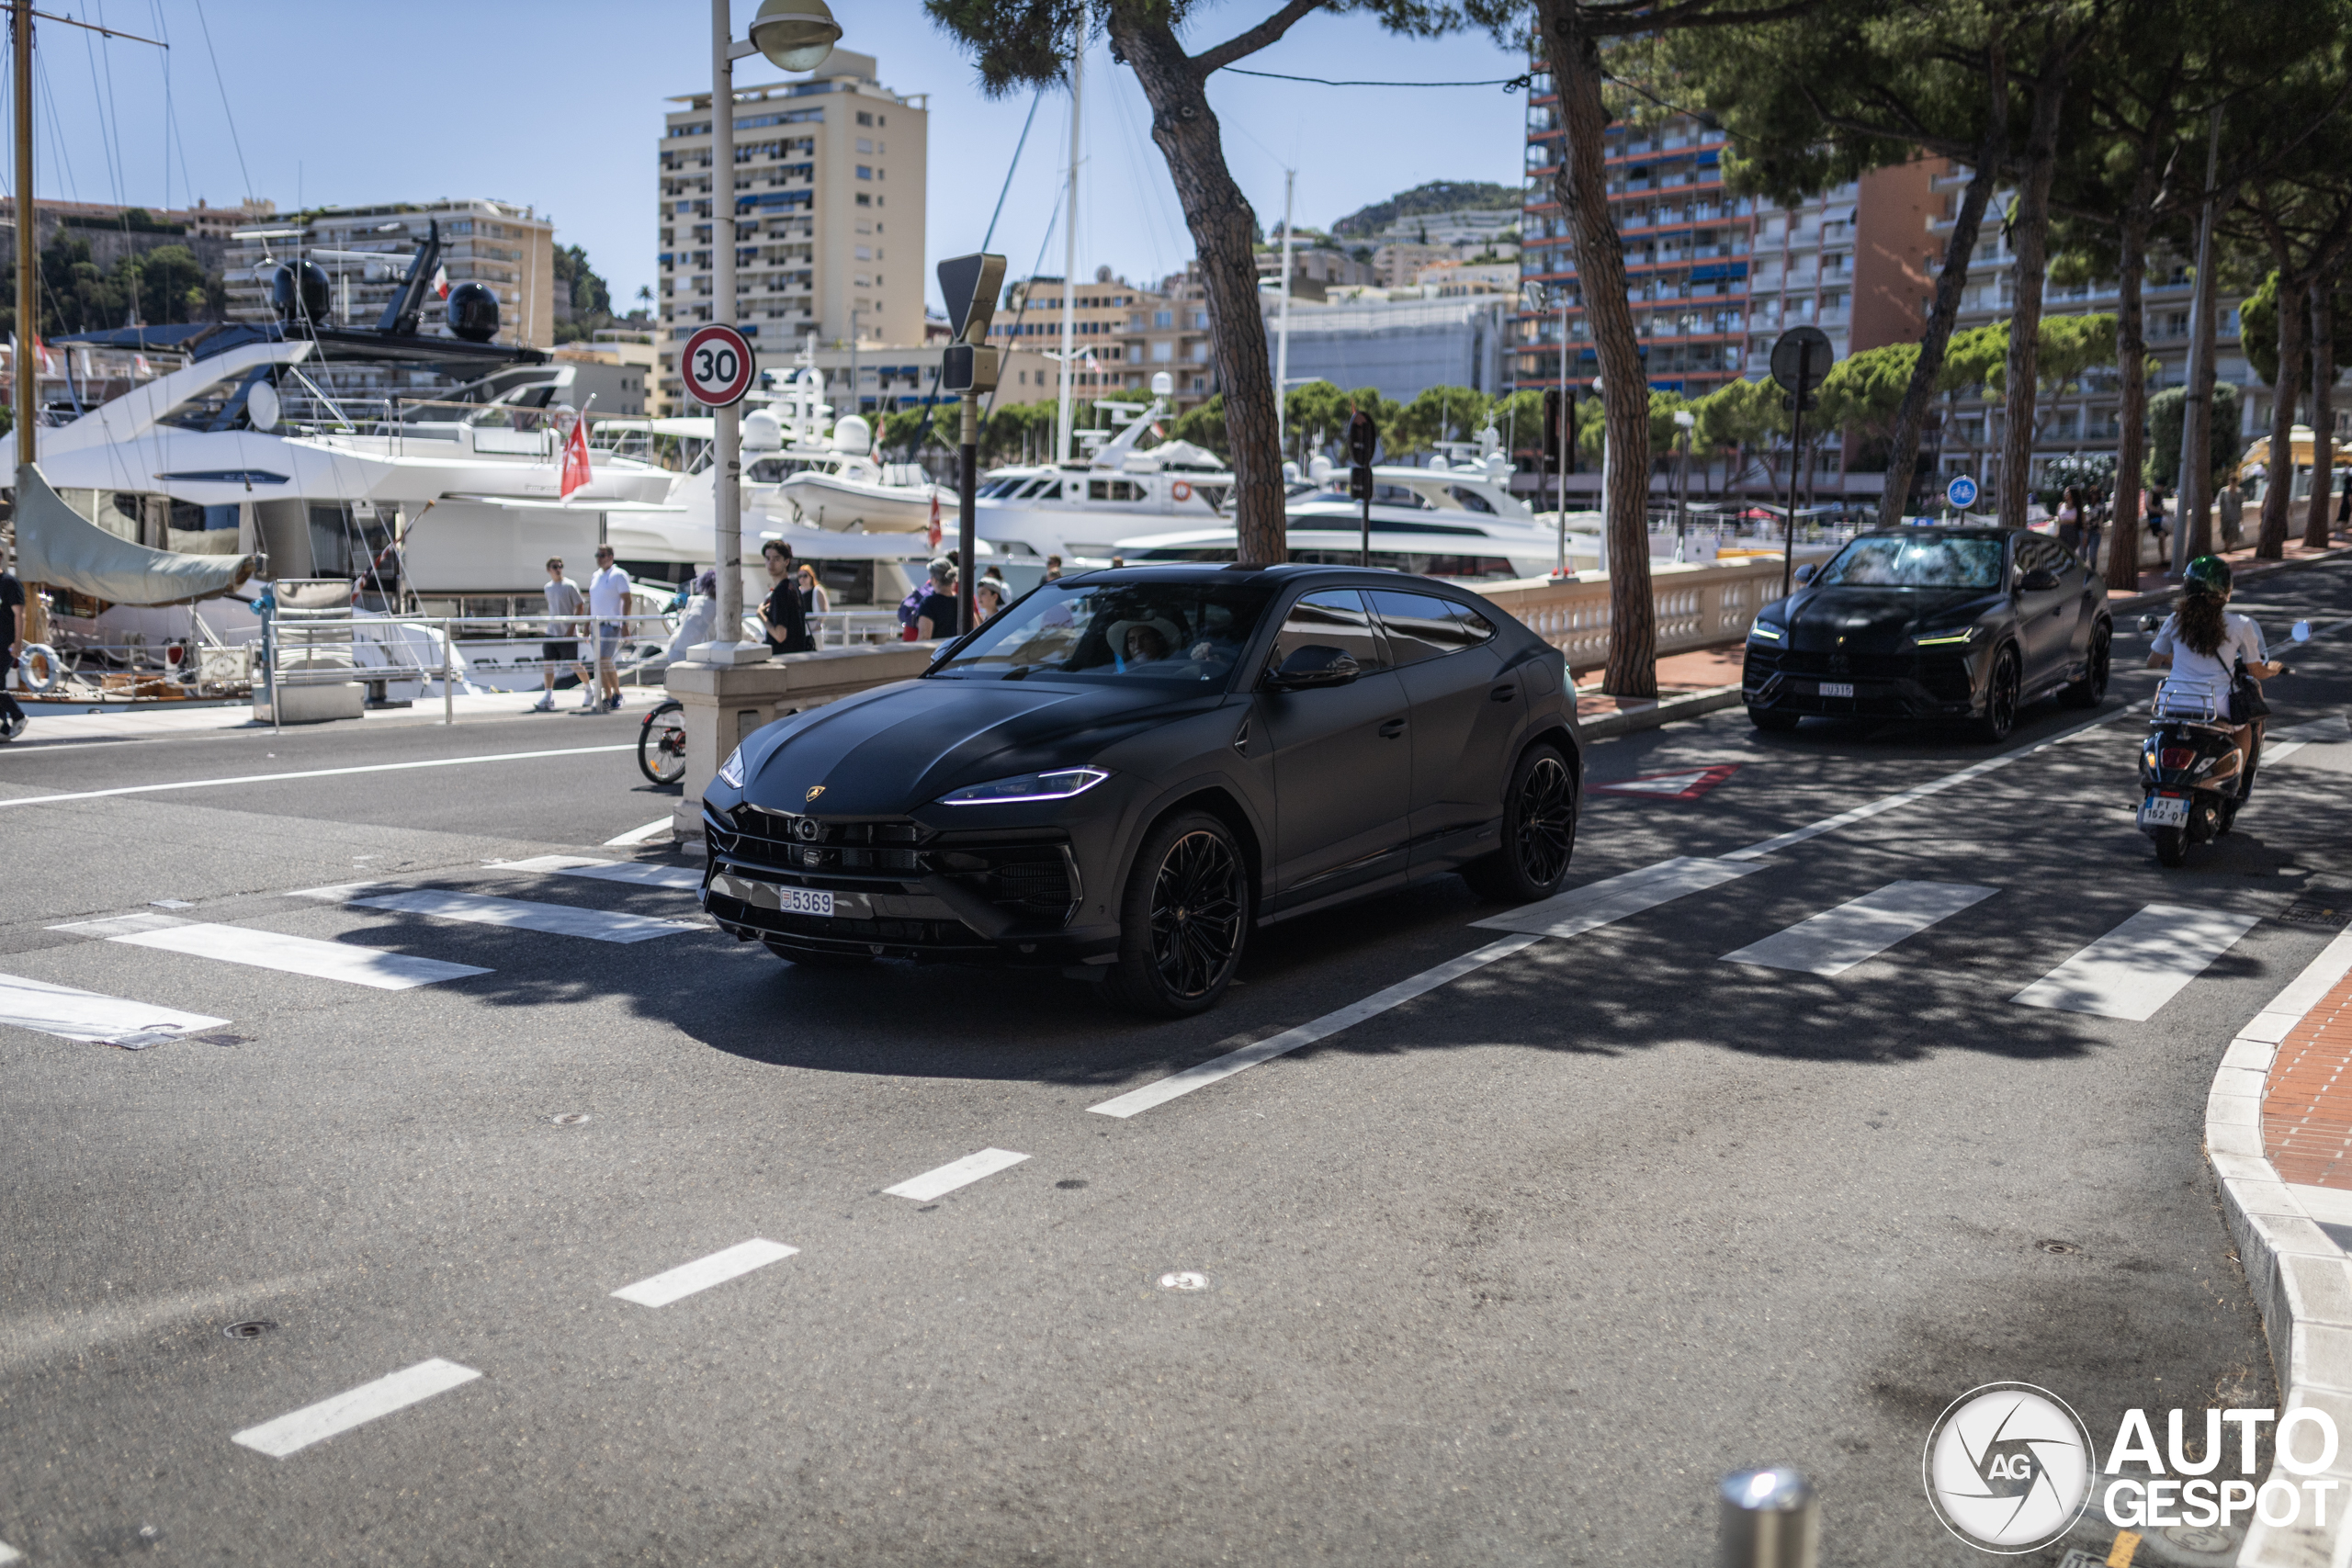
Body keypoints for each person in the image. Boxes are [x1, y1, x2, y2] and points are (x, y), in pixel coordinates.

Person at [2147, 554, 2282, 772]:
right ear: (2226, 589)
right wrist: (2273, 670)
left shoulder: (2175, 620)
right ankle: (2237, 779)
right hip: (2215, 705)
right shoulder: (2240, 624)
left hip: (2172, 701)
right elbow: (2255, 670)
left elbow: (2153, 662)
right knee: (2244, 727)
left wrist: (2174, 661)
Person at [531, 556, 594, 713]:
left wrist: (572, 627)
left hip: (568, 634)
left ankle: (589, 689)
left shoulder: (570, 585)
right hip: (552, 632)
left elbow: (580, 606)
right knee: (548, 664)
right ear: (549, 570)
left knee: (574, 664)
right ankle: (548, 696)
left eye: (560, 566)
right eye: (555, 567)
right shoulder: (548, 588)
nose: (558, 569)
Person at [587, 544, 632, 711]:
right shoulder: (596, 575)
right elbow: (593, 602)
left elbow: (627, 600)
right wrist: (586, 624)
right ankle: (608, 696)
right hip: (596, 625)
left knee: (605, 660)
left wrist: (625, 624)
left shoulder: (619, 575)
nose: (599, 559)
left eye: (602, 555)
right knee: (600, 662)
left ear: (610, 557)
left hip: (610, 624)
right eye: (597, 555)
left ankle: (617, 694)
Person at [758, 540, 814, 655]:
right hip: (795, 656)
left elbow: (780, 636)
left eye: (776, 559)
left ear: (786, 561)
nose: (771, 563)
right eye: (768, 558)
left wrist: (761, 616)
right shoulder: (793, 588)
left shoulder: (781, 592)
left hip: (783, 658)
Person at [0, 554, 26, 742]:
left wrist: (18, 642)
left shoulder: (9, 583)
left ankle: (18, 716)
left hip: (6, 642)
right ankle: (3, 728)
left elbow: (20, 614)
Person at [915, 559, 960, 640]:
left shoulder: (928, 603)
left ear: (934, 579)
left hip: (940, 648)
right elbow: (974, 629)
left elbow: (924, 637)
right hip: (960, 647)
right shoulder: (962, 602)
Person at [2144, 485, 2170, 572]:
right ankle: (2162, 558)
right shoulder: (2150, 493)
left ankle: (2163, 558)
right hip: (2153, 519)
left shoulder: (2159, 495)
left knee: (2163, 537)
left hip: (2160, 519)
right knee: (2161, 535)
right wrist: (2159, 511)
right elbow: (2149, 506)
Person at [2054, 486, 2084, 555]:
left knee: (2069, 552)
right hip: (2062, 531)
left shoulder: (2077, 507)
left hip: (2072, 532)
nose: (2065, 493)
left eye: (2067, 492)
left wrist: (2067, 521)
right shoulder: (2061, 505)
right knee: (2061, 552)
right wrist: (2057, 531)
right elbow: (2058, 520)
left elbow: (2081, 521)